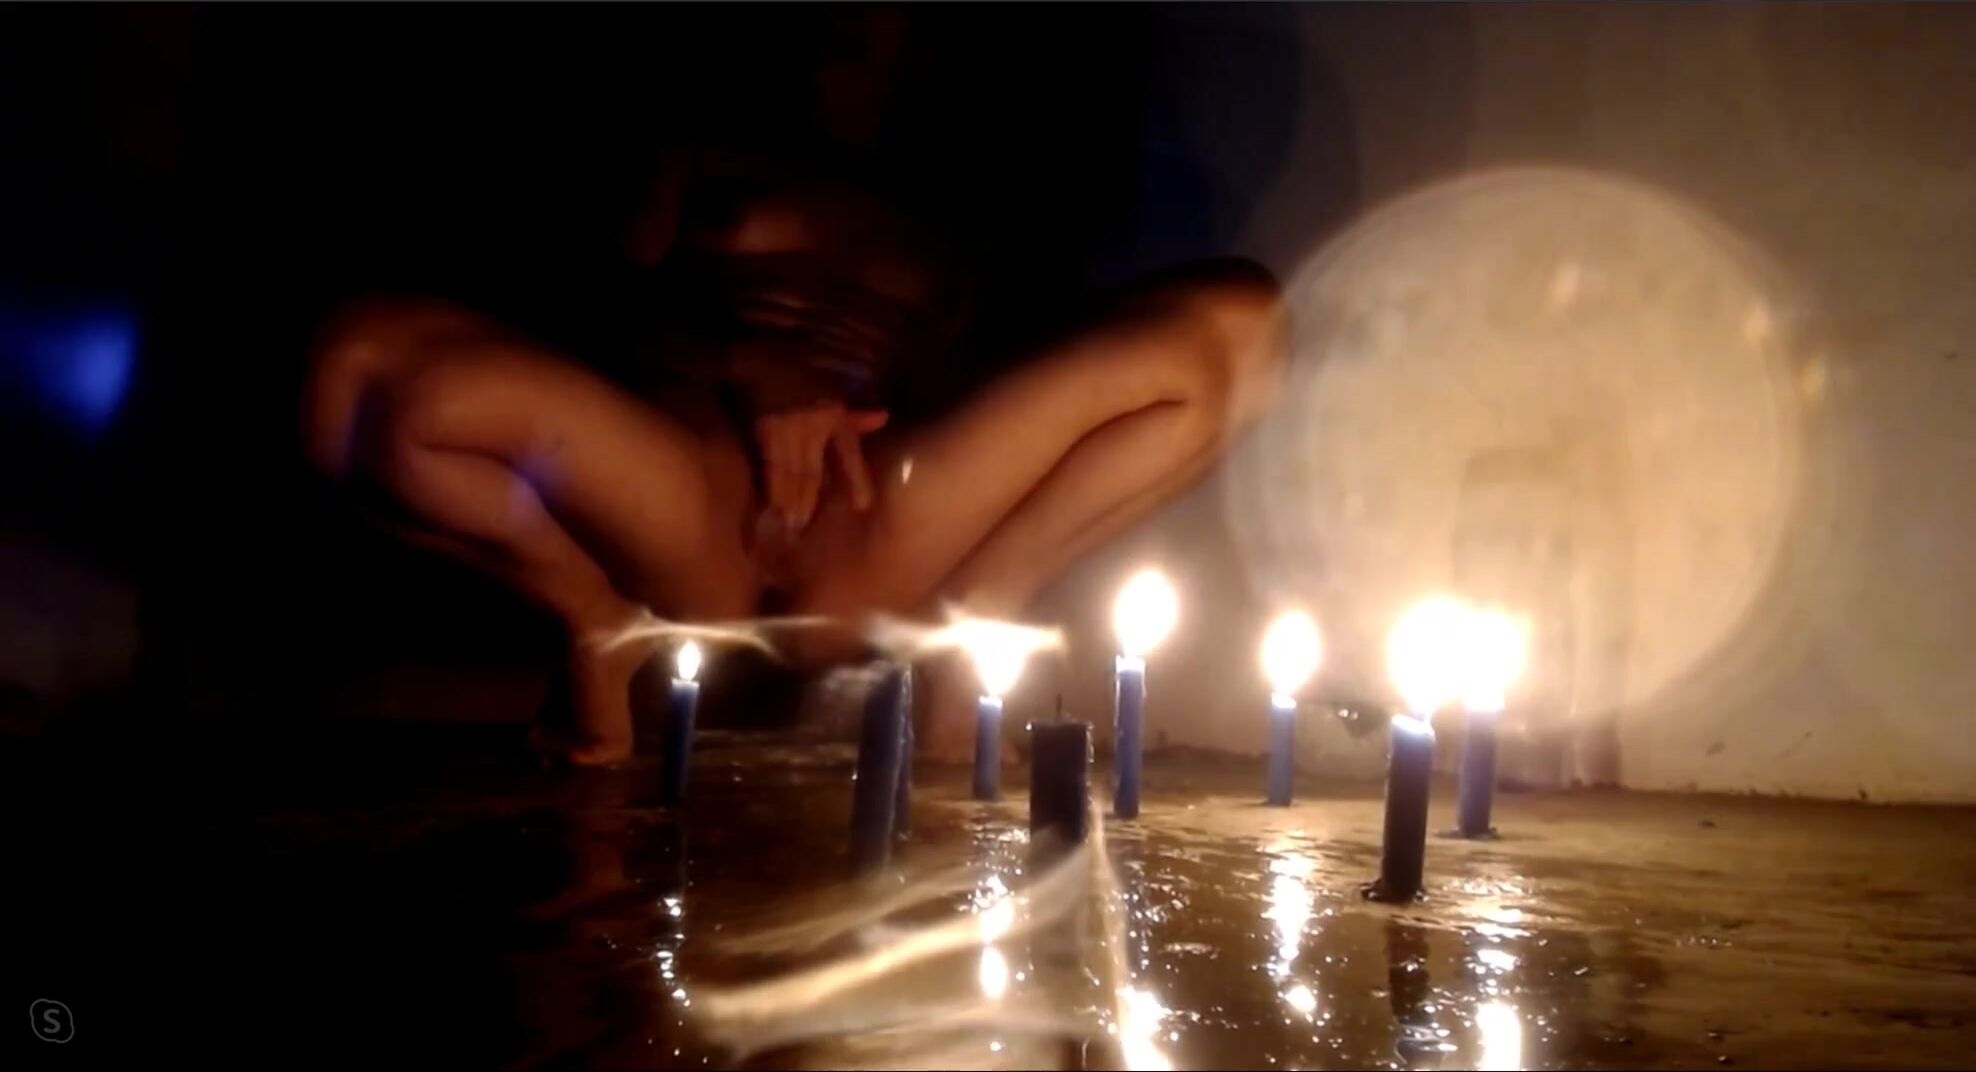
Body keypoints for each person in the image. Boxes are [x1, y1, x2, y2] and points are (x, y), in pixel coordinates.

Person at [299, 18, 1286, 765]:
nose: (844, 43)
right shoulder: (698, 148)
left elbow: (1016, 375)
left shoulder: (964, 197)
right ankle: (595, 619)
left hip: (874, 512)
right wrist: (750, 364)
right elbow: (594, 308)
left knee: (1246, 326)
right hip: (690, 491)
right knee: (353, 370)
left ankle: (975, 619)